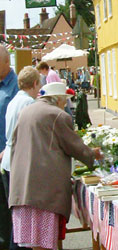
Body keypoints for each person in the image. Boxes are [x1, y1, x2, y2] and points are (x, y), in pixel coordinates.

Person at [9, 82, 102, 250]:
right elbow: (74, 146)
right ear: (58, 99)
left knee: (33, 243)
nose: (65, 104)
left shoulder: (26, 111)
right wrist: (92, 155)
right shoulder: (58, 115)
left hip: (22, 187)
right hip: (43, 192)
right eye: (64, 100)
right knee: (44, 243)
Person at [1, 66, 40, 250]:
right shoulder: (29, 104)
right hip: (19, 161)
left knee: (16, 216)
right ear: (34, 83)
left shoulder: (14, 101)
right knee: (22, 217)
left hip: (9, 159)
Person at [0, 44, 19, 250]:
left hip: (8, 158)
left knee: (9, 208)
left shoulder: (16, 86)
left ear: (7, 62)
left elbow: (21, 120)